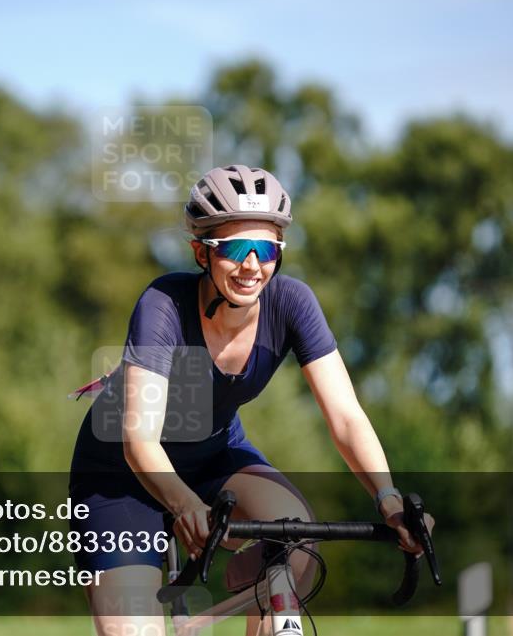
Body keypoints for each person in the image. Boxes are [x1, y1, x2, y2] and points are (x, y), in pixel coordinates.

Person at [69, 165, 432, 635]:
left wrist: (388, 499)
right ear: (202, 251)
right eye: (236, 249)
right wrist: (182, 504)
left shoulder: (292, 303)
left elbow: (345, 417)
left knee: (296, 539)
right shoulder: (163, 305)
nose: (251, 265)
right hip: (120, 477)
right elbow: (138, 439)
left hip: (215, 455)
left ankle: (232, 603)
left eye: (265, 249)